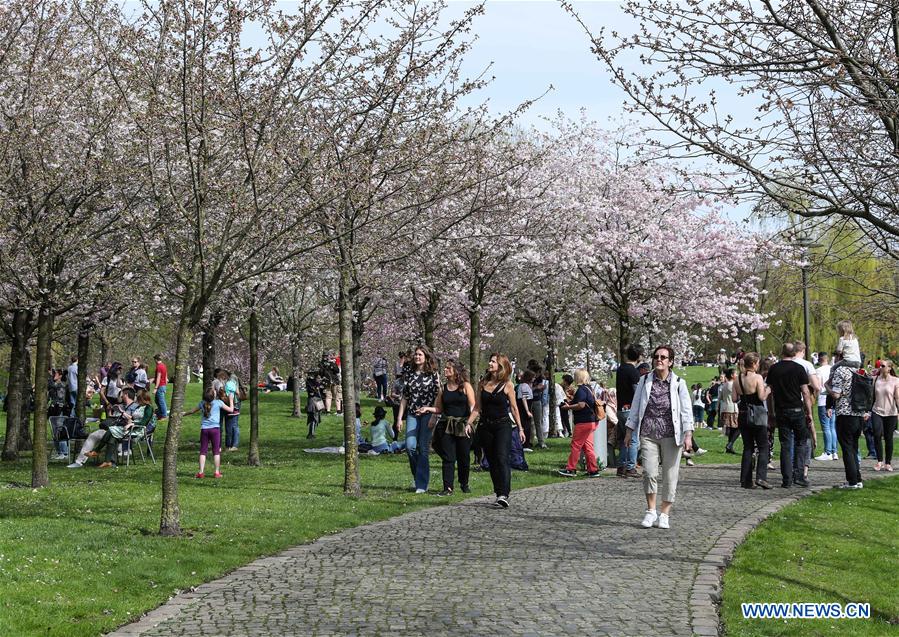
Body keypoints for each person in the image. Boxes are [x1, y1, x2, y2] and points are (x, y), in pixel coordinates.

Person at [624, 345, 694, 529]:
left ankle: (665, 513)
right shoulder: (645, 380)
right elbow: (636, 404)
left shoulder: (679, 383)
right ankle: (650, 510)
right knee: (649, 472)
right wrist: (629, 430)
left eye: (663, 357)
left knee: (670, 475)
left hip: (672, 435)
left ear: (670, 362)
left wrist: (688, 435)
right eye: (656, 357)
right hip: (648, 433)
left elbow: (686, 411)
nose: (659, 360)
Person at [466, 353, 525, 508]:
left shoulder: (507, 385)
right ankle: (498, 492)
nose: (490, 363)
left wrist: (520, 428)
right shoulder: (482, 383)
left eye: (493, 361)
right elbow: (478, 407)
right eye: (490, 360)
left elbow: (514, 408)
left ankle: (504, 493)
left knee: (501, 457)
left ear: (500, 365)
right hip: (486, 426)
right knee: (491, 460)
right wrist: (468, 423)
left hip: (502, 425)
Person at [767, 342, 813, 488]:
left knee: (785, 445)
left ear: (782, 352)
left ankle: (786, 479)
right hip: (796, 410)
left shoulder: (774, 369)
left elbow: (770, 393)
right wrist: (809, 412)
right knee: (801, 442)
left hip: (781, 410)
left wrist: (771, 412)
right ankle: (799, 475)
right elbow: (805, 392)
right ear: (794, 353)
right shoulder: (799, 369)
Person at [396, 345, 440, 494]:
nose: (417, 357)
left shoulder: (433, 374)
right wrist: (399, 418)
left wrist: (434, 414)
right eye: (416, 354)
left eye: (420, 354)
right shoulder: (409, 374)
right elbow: (405, 397)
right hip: (412, 414)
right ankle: (418, 476)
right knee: (410, 446)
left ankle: (422, 484)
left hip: (427, 413)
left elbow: (438, 396)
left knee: (423, 448)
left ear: (426, 357)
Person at [432, 359, 476, 496]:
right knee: (448, 457)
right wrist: (428, 410)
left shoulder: (466, 386)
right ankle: (448, 487)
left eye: (448, 368)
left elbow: (473, 406)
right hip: (447, 425)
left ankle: (464, 483)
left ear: (456, 371)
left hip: (462, 425)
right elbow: (439, 408)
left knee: (464, 457)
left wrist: (470, 423)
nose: (445, 370)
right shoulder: (443, 389)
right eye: (445, 368)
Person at [733, 353, 772, 489]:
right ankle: (761, 477)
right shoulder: (757, 377)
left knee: (748, 447)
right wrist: (768, 390)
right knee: (763, 446)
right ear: (755, 363)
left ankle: (746, 480)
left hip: (743, 414)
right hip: (757, 414)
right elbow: (761, 397)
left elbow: (733, 398)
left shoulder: (737, 378)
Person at [558, 369, 602, 478]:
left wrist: (568, 407)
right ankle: (593, 469)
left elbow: (581, 405)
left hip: (583, 421)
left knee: (576, 445)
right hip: (592, 421)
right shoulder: (589, 388)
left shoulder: (581, 389)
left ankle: (571, 468)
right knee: (588, 447)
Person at [184, 388, 236, 478]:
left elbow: (192, 411)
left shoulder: (202, 403)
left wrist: (184, 413)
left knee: (203, 451)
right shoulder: (219, 403)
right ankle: (216, 472)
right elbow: (231, 410)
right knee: (216, 452)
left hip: (204, 429)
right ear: (214, 395)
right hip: (215, 430)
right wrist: (231, 399)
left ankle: (201, 472)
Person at [615, 344, 642, 477]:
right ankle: (631, 467)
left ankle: (621, 466)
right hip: (630, 409)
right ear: (639, 356)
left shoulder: (620, 369)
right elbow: (637, 392)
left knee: (623, 439)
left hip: (620, 409)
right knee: (632, 439)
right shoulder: (633, 371)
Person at [870, 360, 899, 472]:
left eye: (883, 366)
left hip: (891, 413)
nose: (880, 367)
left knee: (888, 437)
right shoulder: (876, 379)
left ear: (889, 368)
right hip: (877, 411)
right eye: (880, 366)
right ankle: (879, 461)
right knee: (877, 435)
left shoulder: (896, 381)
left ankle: (888, 463)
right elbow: (871, 396)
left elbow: (897, 398)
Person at [814, 352, 837, 461]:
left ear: (819, 359)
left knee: (826, 427)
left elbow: (818, 386)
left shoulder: (818, 371)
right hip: (833, 399)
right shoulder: (832, 369)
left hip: (823, 400)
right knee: (832, 427)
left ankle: (828, 452)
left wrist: (815, 396)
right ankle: (834, 451)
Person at [48, 369, 69, 460]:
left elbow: (60, 398)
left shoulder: (61, 386)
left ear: (60, 375)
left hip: (59, 410)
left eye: (55, 374)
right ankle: (59, 452)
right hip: (53, 410)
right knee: (54, 431)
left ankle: (64, 452)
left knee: (60, 430)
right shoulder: (53, 385)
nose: (53, 375)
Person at [719, 370, 740, 453]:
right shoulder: (733, 385)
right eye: (736, 373)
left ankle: (729, 447)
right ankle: (730, 444)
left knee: (731, 428)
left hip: (725, 407)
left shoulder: (723, 385)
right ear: (732, 375)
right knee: (739, 427)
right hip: (732, 408)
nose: (737, 375)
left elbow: (720, 397)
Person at [516, 369, 536, 451]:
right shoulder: (524, 386)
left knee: (527, 425)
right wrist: (527, 411)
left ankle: (526, 444)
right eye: (533, 377)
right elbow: (524, 399)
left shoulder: (526, 385)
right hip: (524, 408)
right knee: (525, 425)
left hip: (527, 405)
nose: (534, 379)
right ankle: (524, 445)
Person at [224, 371, 242, 451]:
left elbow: (236, 392)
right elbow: (238, 393)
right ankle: (234, 445)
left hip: (231, 405)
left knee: (229, 426)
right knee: (235, 425)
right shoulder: (235, 383)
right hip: (237, 405)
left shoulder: (229, 383)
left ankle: (229, 445)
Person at [305, 370, 325, 439]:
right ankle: (311, 434)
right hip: (313, 400)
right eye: (318, 378)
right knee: (313, 417)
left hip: (318, 400)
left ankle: (312, 433)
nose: (319, 379)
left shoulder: (319, 384)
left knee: (317, 417)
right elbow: (311, 392)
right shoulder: (310, 383)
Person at [152, 354, 168, 419]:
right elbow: (166, 376)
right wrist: (165, 385)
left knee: (161, 401)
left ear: (156, 359)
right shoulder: (164, 365)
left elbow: (158, 377)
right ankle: (160, 413)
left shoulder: (159, 367)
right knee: (157, 400)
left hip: (160, 386)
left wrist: (155, 388)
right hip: (163, 385)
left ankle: (164, 416)